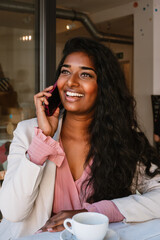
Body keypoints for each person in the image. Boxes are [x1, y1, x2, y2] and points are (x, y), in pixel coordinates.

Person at [0, 37, 160, 239]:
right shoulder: (29, 132)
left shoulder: (122, 139)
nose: (71, 82)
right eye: (65, 72)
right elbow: (12, 212)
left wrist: (96, 212)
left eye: (85, 74)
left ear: (104, 87)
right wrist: (42, 142)